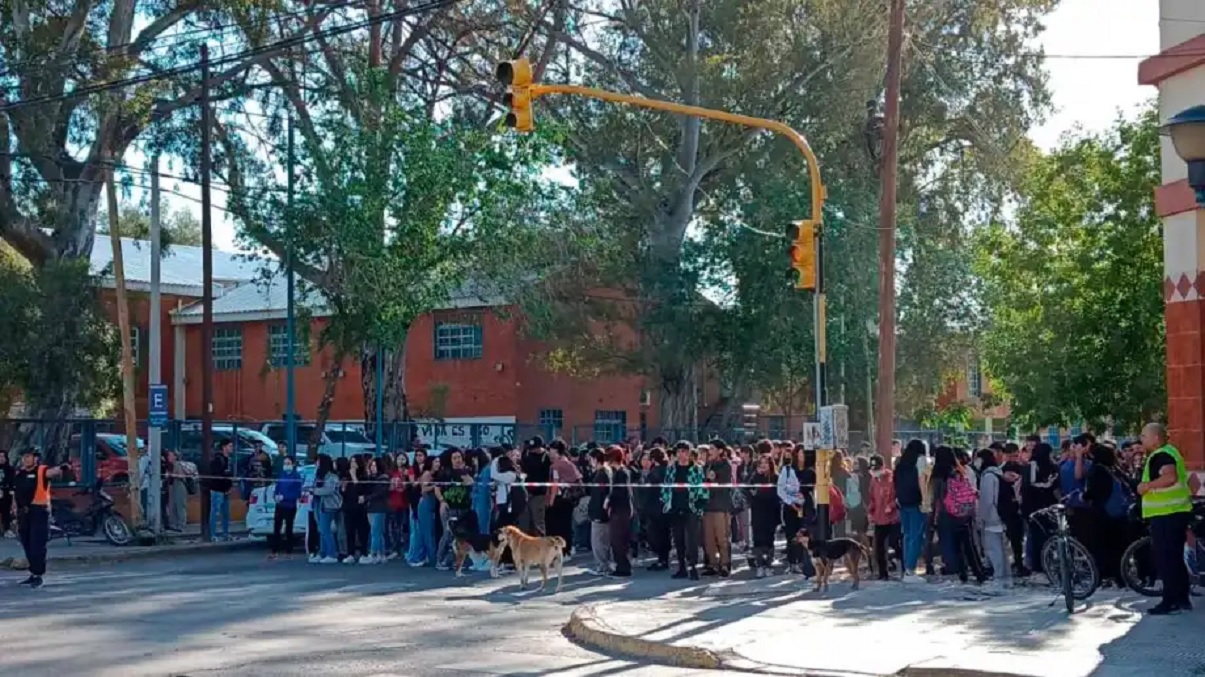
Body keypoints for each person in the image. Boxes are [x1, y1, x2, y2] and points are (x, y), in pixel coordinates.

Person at [1137, 423, 1194, 614]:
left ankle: (1169, 601)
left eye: (1144, 436)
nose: (1141, 439)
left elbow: (1170, 477)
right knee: (1175, 557)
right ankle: (1181, 598)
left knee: (1166, 559)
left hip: (1166, 514)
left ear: (1155, 438)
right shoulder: (1171, 452)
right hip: (1175, 511)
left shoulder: (1161, 455)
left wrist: (1147, 486)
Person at [13, 449, 69, 588]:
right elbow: (16, 493)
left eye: (28, 457)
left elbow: (53, 472)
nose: (25, 459)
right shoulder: (20, 473)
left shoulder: (41, 471)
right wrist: (14, 509)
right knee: (27, 544)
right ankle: (32, 573)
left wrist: (63, 467)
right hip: (23, 513)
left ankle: (38, 575)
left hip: (38, 511)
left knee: (37, 544)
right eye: (24, 457)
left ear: (35, 459)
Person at [662, 442, 708, 581]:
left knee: (692, 540)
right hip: (675, 508)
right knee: (678, 539)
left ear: (689, 453)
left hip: (691, 508)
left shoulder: (696, 469)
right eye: (679, 451)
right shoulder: (671, 469)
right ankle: (681, 567)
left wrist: (700, 504)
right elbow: (666, 486)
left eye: (684, 451)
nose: (681, 454)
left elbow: (702, 488)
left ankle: (693, 567)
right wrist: (665, 501)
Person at [777, 445, 816, 576]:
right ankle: (792, 562)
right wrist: (791, 501)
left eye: (805, 453)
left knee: (803, 533)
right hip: (790, 506)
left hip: (806, 506)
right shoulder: (787, 470)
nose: (802, 456)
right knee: (791, 535)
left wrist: (804, 498)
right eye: (800, 453)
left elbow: (813, 490)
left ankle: (802, 562)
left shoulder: (811, 471)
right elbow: (780, 489)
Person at [434, 449, 475, 571]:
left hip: (463, 507)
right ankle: (440, 560)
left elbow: (470, 483)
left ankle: (455, 561)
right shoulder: (445, 473)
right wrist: (442, 501)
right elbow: (437, 489)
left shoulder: (466, 472)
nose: (457, 460)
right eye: (455, 458)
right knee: (447, 534)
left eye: (459, 457)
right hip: (449, 507)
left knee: (461, 536)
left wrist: (463, 472)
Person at [975, 449, 1008, 590]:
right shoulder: (998, 472)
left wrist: (981, 517)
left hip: (992, 516)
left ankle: (999, 577)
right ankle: (1005, 577)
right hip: (1001, 514)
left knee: (994, 549)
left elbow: (987, 500)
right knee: (1001, 548)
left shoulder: (988, 476)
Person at [894, 440, 925, 582]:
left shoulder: (900, 465)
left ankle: (906, 568)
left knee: (906, 535)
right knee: (916, 536)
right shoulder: (918, 463)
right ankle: (910, 570)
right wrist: (925, 500)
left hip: (902, 503)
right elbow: (921, 483)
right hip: (915, 503)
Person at [867, 454, 901, 581]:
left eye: (876, 469)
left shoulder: (891, 478)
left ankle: (901, 567)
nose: (874, 472)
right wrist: (870, 512)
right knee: (879, 547)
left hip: (892, 518)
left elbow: (896, 496)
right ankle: (883, 573)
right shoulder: (873, 480)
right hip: (878, 518)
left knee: (895, 543)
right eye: (872, 469)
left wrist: (891, 506)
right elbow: (871, 498)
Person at [702, 444, 733, 578]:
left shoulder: (726, 465)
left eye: (713, 449)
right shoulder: (708, 465)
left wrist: (714, 478)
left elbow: (724, 484)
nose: (711, 452)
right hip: (708, 506)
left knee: (722, 537)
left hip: (721, 506)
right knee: (709, 538)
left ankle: (725, 564)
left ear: (721, 450)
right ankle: (713, 564)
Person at [749, 454, 780, 578]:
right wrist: (756, 474)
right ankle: (760, 565)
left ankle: (769, 565)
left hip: (771, 511)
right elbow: (746, 487)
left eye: (766, 463)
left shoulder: (775, 477)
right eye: (761, 463)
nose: (763, 466)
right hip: (757, 511)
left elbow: (776, 494)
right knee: (758, 539)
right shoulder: (755, 476)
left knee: (769, 539)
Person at [309, 454, 342, 564]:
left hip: (329, 505)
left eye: (318, 461)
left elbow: (328, 490)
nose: (316, 463)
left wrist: (314, 491)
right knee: (322, 530)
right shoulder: (319, 475)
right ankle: (322, 553)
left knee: (326, 530)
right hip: (319, 504)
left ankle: (331, 554)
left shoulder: (332, 476)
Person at [606, 446, 634, 577]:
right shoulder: (620, 472)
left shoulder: (622, 473)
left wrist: (609, 501)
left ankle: (623, 567)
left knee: (618, 540)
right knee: (617, 540)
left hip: (621, 510)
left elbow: (621, 492)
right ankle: (621, 565)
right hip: (621, 509)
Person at [586, 449, 613, 576]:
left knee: (598, 541)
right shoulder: (606, 472)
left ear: (595, 459)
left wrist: (596, 511)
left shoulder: (601, 474)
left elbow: (600, 495)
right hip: (603, 512)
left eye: (591, 459)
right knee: (604, 540)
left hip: (599, 512)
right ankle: (605, 564)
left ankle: (603, 566)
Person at [271, 457, 303, 559]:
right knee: (276, 528)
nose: (286, 465)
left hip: (290, 506)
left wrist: (285, 497)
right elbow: (277, 487)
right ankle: (274, 551)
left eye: (288, 463)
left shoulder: (296, 476)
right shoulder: (281, 474)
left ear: (293, 464)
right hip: (279, 505)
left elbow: (297, 493)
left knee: (288, 529)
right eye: (285, 463)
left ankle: (289, 551)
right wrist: (276, 496)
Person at [520, 436, 552, 535]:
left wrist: (548, 493)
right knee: (525, 521)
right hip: (526, 492)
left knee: (538, 520)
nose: (532, 450)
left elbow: (550, 477)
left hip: (539, 494)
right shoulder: (527, 454)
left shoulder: (546, 457)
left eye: (535, 448)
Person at [207, 440, 234, 540]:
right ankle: (213, 535)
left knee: (226, 513)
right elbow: (217, 475)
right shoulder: (217, 460)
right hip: (217, 490)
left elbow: (229, 475)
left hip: (226, 490)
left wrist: (229, 487)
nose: (232, 448)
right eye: (230, 446)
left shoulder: (229, 460)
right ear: (224, 447)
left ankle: (225, 533)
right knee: (215, 512)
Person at [0, 450, 15, 537]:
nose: (1, 458)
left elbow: (12, 483)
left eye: (3, 456)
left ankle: (7, 529)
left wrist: (12, 495)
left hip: (6, 492)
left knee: (6, 511)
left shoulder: (10, 469)